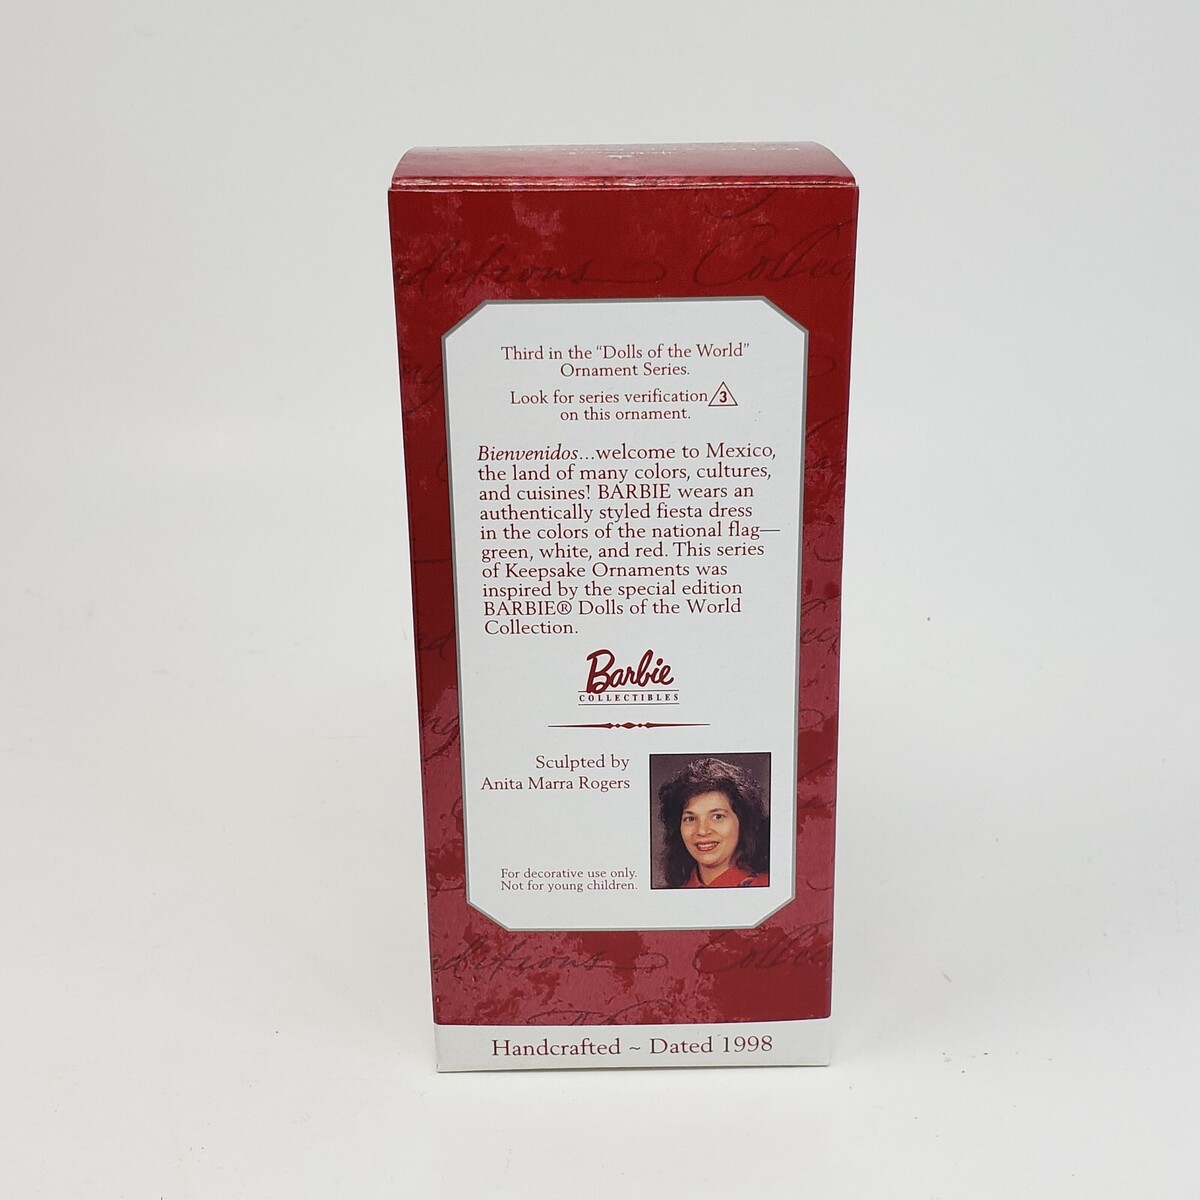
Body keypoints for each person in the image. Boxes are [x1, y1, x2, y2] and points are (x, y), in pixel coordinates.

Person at [657, 757, 769, 888]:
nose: (702, 831)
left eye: (717, 817)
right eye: (690, 818)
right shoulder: (670, 894)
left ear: (743, 822)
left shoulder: (768, 888)